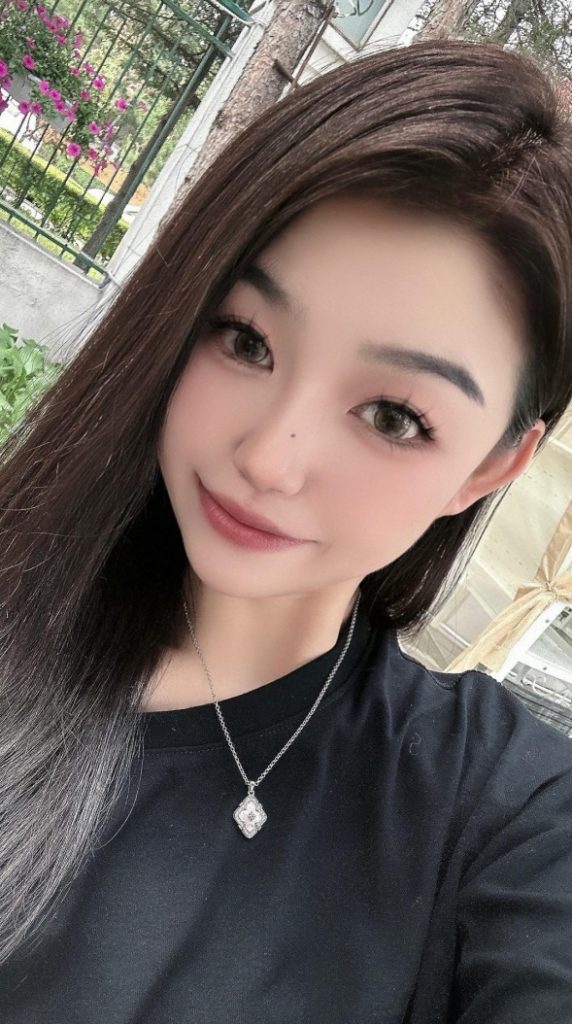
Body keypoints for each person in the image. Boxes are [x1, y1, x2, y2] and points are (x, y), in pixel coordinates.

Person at [0, 36, 571, 1024]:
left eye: (392, 415)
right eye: (246, 339)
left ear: (487, 469)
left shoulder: (503, 818)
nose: (269, 457)